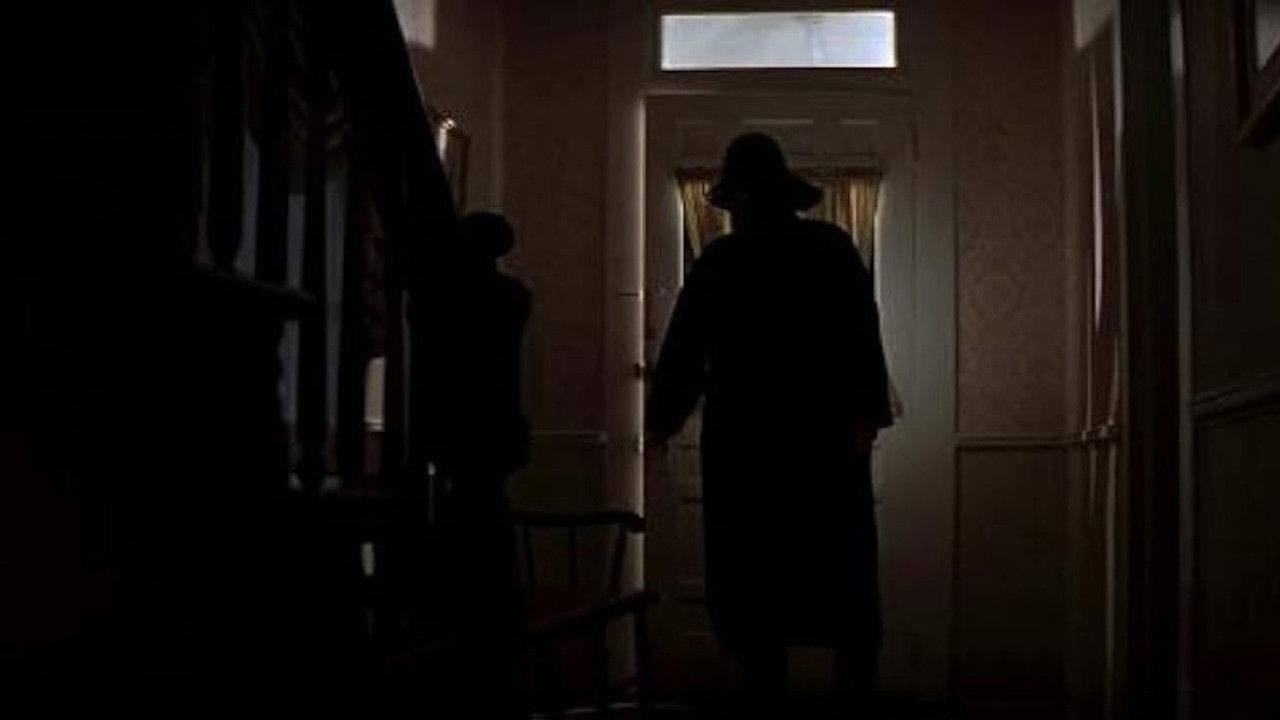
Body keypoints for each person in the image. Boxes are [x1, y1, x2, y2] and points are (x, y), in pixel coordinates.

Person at [646, 134, 894, 717]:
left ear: (738, 202)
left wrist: (662, 421)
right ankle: (850, 698)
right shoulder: (829, 247)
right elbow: (863, 334)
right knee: (837, 578)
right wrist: (866, 416)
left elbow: (685, 351)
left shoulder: (722, 261)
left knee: (756, 587)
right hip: (818, 437)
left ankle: (769, 698)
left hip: (750, 440)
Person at [423, 211, 531, 717]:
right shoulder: (510, 298)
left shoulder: (456, 300)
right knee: (487, 535)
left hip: (468, 430)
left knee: (475, 533)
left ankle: (481, 663)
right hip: (493, 429)